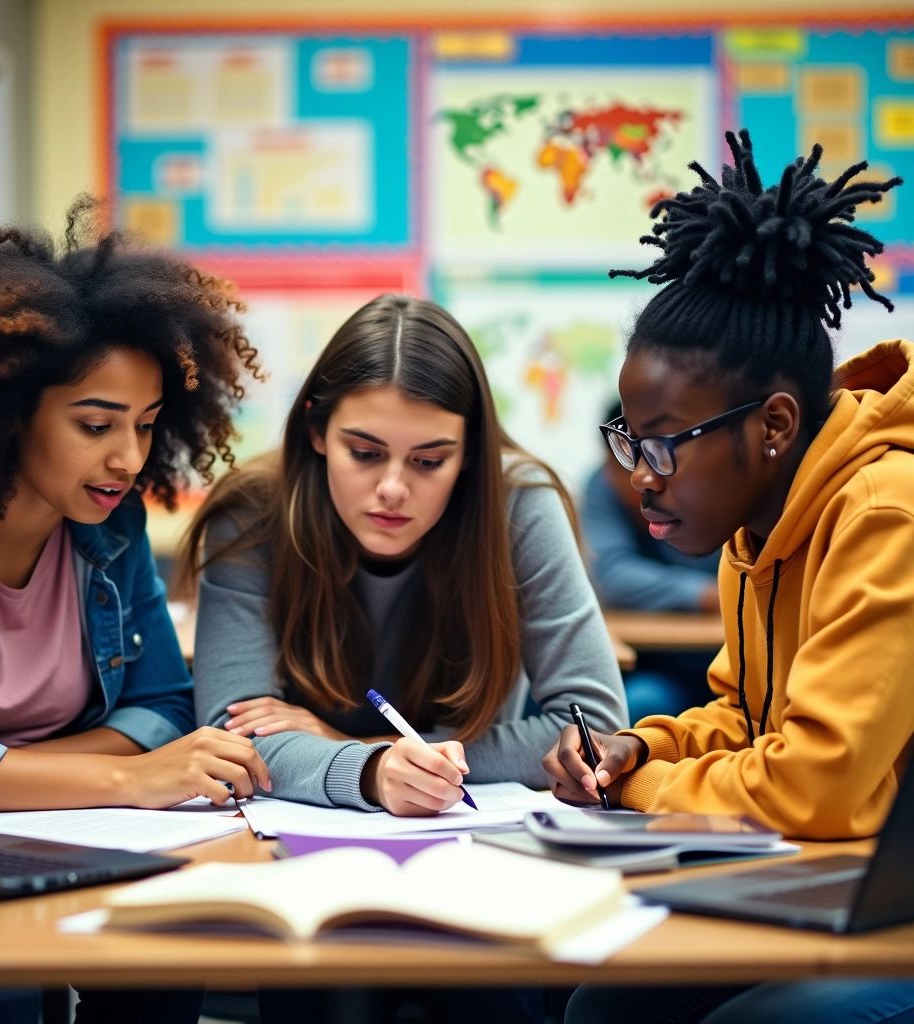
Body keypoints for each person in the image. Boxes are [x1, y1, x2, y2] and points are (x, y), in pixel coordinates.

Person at [544, 131, 914, 1022]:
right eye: (628, 441)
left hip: (889, 906)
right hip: (844, 883)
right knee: (603, 1007)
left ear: (775, 426)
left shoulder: (882, 511)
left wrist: (633, 788)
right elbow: (747, 718)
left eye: (665, 441)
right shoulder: (756, 528)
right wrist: (642, 746)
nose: (642, 475)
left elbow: (810, 785)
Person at [183, 293, 627, 1024]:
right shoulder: (253, 517)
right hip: (307, 855)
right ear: (317, 430)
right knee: (323, 988)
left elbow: (592, 729)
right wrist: (371, 771)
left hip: (482, 853)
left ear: (471, 453)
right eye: (364, 452)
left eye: (431, 460)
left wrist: (355, 751)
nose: (393, 487)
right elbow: (234, 735)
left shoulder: (521, 506)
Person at [0, 201, 271, 1024]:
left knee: (167, 957)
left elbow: (164, 704)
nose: (128, 459)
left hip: (70, 843)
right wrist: (123, 777)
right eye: (95, 424)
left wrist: (19, 772)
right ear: (7, 410)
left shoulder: (111, 527)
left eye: (145, 425)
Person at [582, 396, 721, 720]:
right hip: (657, 663)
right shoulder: (602, 488)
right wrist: (705, 594)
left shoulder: (716, 487)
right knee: (640, 704)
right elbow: (613, 577)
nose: (640, 478)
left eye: (654, 459)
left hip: (734, 661)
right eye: (623, 462)